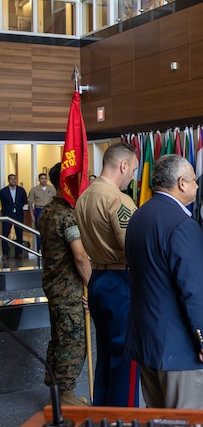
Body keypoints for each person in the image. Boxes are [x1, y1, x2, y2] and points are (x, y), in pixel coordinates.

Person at [125, 154, 203, 409]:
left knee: (160, 423)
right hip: (182, 350)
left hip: (150, 342)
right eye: (194, 180)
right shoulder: (182, 225)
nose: (196, 186)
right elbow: (193, 289)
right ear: (181, 183)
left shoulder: (139, 216)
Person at [75, 142, 140, 407]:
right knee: (125, 357)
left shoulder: (84, 197)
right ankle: (123, 421)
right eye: (133, 169)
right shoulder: (117, 199)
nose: (133, 176)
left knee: (104, 354)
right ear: (123, 165)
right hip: (120, 280)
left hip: (98, 280)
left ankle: (101, 410)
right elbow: (131, 246)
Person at [38, 163, 92, 406]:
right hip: (69, 289)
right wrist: (92, 286)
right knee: (72, 341)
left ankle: (57, 393)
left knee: (58, 338)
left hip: (53, 285)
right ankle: (66, 397)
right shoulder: (67, 215)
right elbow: (79, 257)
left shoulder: (48, 210)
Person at [1, 174, 28, 259]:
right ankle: (5, 254)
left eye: (15, 179)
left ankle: (19, 253)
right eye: (11, 179)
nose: (13, 181)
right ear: (8, 180)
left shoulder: (21, 190)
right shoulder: (3, 191)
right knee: (5, 234)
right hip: (7, 215)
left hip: (18, 214)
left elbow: (24, 200)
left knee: (19, 233)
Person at [29, 172, 56, 250]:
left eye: (45, 178)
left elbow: (55, 200)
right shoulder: (34, 189)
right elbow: (30, 202)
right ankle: (38, 249)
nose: (43, 180)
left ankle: (49, 249)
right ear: (39, 180)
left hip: (49, 210)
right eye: (42, 178)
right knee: (39, 230)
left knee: (50, 230)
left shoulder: (52, 189)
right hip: (39, 209)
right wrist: (32, 215)